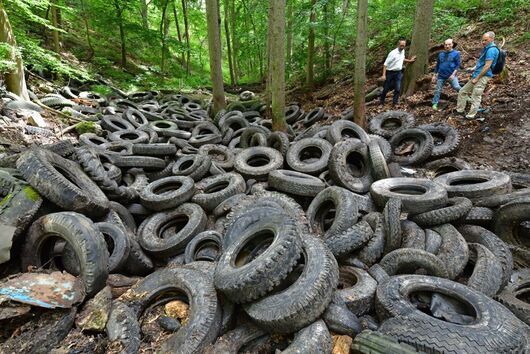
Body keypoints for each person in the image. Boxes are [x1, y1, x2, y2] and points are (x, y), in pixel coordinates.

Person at [456, 31, 499, 119]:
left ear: (492, 39)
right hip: (477, 75)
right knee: (462, 91)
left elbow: (487, 66)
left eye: (485, 40)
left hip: (482, 76)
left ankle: (471, 116)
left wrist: (477, 78)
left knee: (476, 96)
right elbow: (482, 63)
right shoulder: (487, 48)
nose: (483, 42)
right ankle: (460, 111)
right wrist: (473, 68)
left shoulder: (491, 50)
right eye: (482, 40)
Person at [379, 39, 416, 106]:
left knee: (398, 88)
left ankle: (395, 102)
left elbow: (402, 59)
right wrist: (384, 75)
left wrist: (410, 61)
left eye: (403, 45)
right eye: (401, 45)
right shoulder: (392, 53)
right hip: (390, 72)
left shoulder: (403, 51)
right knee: (386, 88)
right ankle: (381, 101)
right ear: (398, 45)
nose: (402, 47)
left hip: (398, 73)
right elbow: (385, 64)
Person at [432, 38, 461, 110]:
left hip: (451, 75)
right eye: (446, 45)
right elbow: (437, 65)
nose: (447, 46)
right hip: (441, 76)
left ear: (452, 44)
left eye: (449, 44)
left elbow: (457, 65)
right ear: (444, 45)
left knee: (457, 87)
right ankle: (435, 104)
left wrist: (453, 74)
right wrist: (434, 75)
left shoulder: (456, 53)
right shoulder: (441, 54)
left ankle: (466, 97)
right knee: (438, 90)